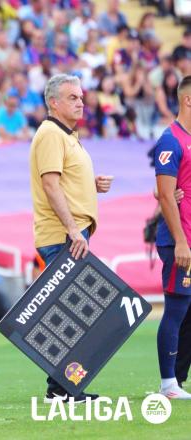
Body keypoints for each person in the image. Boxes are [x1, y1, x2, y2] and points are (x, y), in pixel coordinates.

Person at [29, 74, 114, 403]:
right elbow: (50, 185)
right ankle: (60, 388)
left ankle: (63, 387)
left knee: (74, 316)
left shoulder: (65, 135)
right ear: (54, 103)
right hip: (64, 235)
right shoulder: (51, 133)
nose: (81, 102)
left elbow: (62, 181)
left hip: (71, 234)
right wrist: (73, 229)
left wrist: (91, 184)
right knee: (70, 316)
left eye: (81, 97)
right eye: (73, 98)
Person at [153, 75, 191, 399]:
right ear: (188, 100)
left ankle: (177, 380)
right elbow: (165, 196)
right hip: (181, 241)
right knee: (176, 309)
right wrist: (180, 240)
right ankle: (168, 385)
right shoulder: (170, 139)